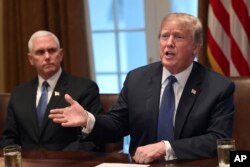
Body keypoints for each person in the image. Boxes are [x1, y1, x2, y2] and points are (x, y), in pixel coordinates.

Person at [49, 13, 235, 163]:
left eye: (178, 36)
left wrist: (165, 147)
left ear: (196, 47)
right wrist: (89, 121)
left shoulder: (218, 87)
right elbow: (117, 124)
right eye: (164, 36)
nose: (169, 43)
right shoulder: (137, 78)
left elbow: (218, 139)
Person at [0, 30, 103, 151]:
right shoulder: (19, 93)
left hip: (68, 163)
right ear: (31, 59)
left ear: (61, 54)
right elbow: (9, 139)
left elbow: (94, 137)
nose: (47, 56)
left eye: (52, 50)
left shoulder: (85, 88)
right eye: (40, 52)